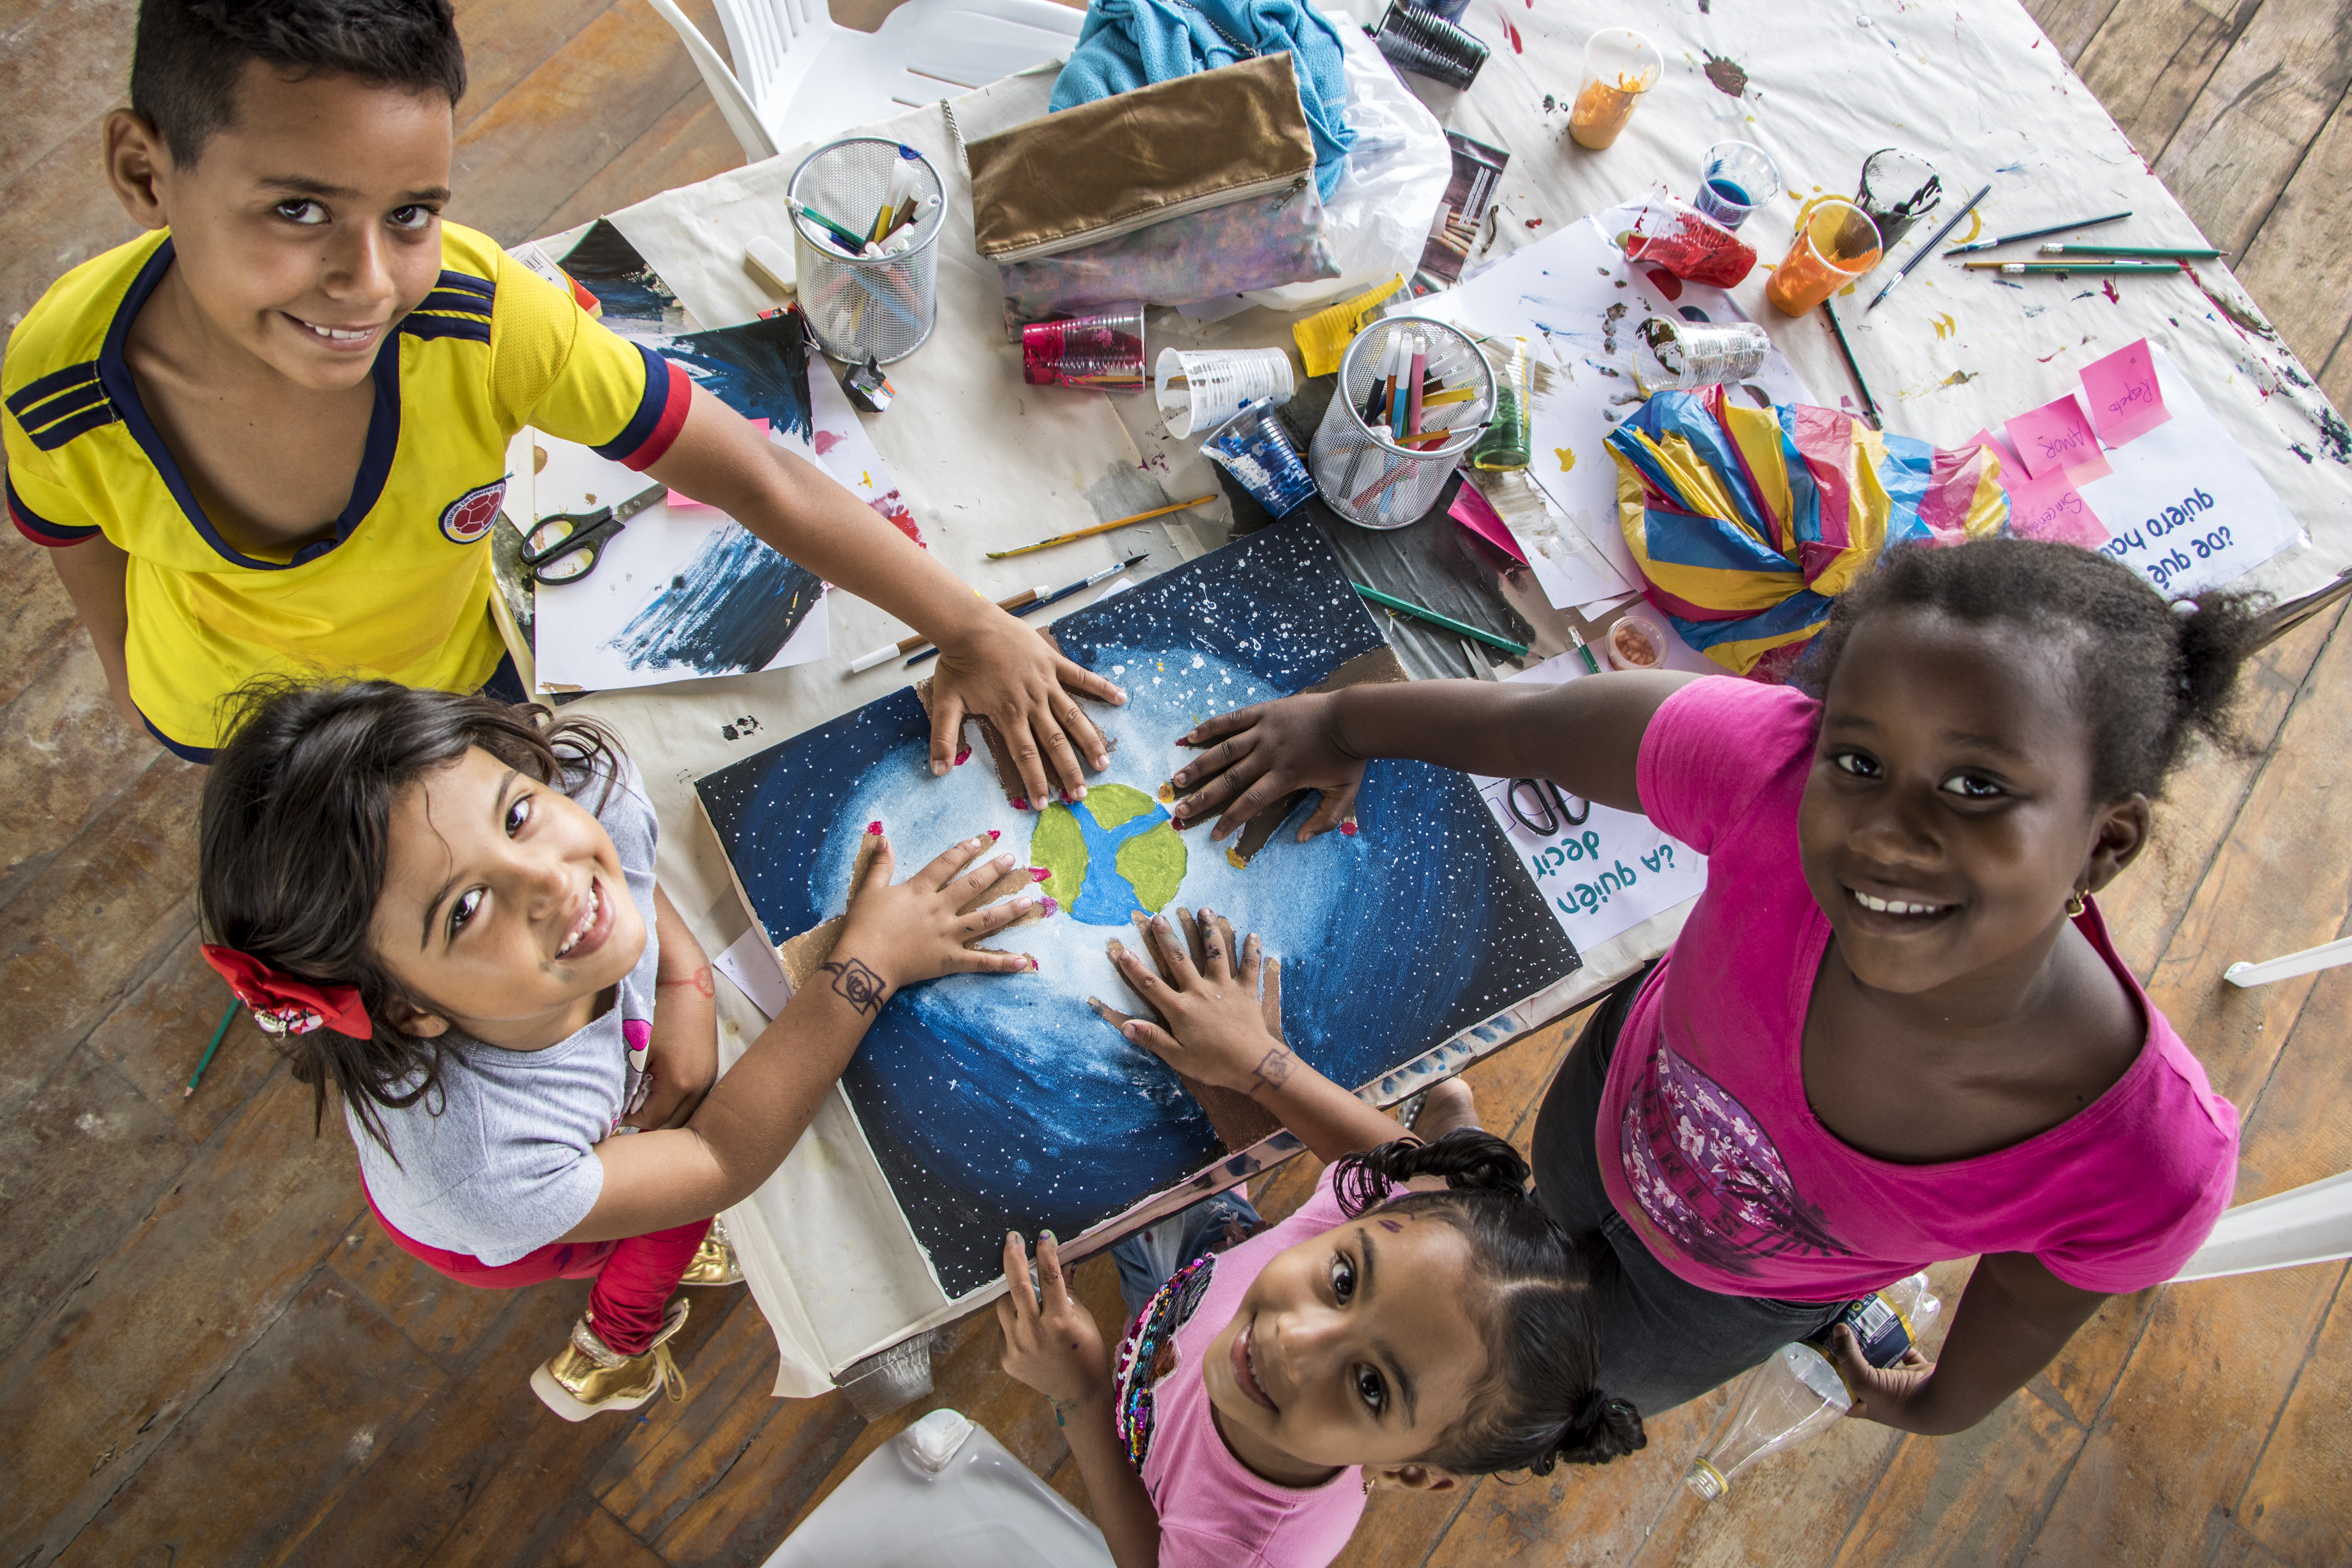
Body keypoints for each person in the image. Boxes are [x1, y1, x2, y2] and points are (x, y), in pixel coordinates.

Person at [1159, 537, 2252, 1434]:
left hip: (1718, 1303)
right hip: (1601, 1128)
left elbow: (2028, 1291)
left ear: (2105, 846)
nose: (1887, 835)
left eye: (1976, 786)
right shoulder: (1768, 771)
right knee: (1528, 1233)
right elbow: (1532, 730)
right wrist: (1344, 723)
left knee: (1554, 1393)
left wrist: (1945, 1407)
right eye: (1859, 762)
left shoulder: (2145, 1160)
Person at [4, 0, 1116, 802]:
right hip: (232, 720)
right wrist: (125, 674)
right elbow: (75, 537)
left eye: (411, 213)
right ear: (145, 174)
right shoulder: (60, 388)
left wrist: (971, 622)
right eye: (298, 210)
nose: (370, 281)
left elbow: (759, 471)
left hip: (457, 678)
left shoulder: (481, 319)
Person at [196, 679, 1053, 1419]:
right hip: (525, 1227)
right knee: (660, 1222)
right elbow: (716, 1158)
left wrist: (686, 980)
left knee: (663, 1179)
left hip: (611, 1108)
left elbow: (628, 863)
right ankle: (616, 1349)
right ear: (405, 1009)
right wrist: (868, 964)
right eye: (465, 909)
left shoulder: (578, 786)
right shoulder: (480, 1171)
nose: (554, 878)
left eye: (519, 813)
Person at [996, 907, 1644, 1568]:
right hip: (1203, 1271)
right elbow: (1406, 1171)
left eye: (1371, 1386)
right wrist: (1258, 1060)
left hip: (1140, 1395)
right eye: (1343, 1283)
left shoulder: (1251, 1549)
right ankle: (1458, 1130)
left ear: (1412, 1472)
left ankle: (1458, 1131)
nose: (1293, 1340)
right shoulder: (1400, 1234)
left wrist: (1077, 1396)